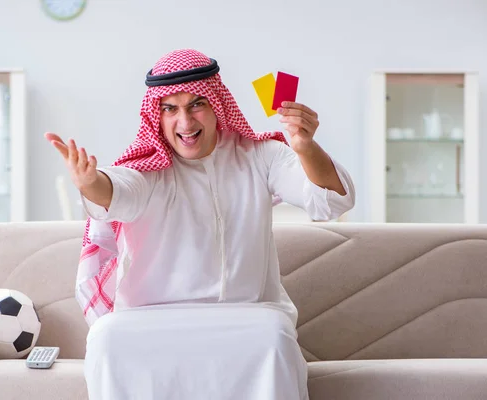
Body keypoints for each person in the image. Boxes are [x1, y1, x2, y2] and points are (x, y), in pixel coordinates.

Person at [45, 48, 355, 400]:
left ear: (217, 104)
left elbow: (330, 199)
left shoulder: (259, 156)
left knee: (274, 336)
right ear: (156, 115)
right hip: (151, 323)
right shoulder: (147, 172)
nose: (186, 122)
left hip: (246, 320)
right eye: (170, 109)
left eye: (196, 104)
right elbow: (117, 191)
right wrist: (90, 183)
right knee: (106, 336)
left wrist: (305, 147)